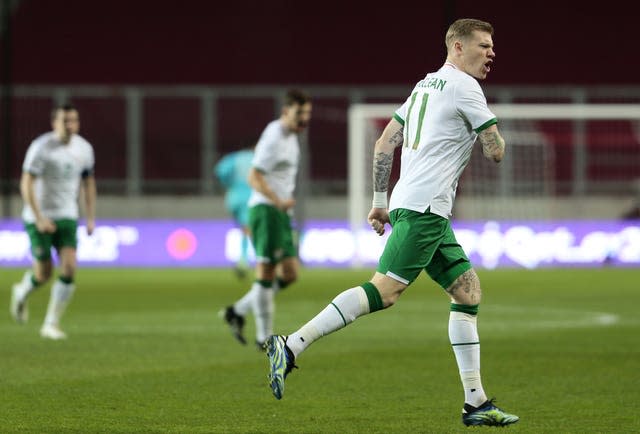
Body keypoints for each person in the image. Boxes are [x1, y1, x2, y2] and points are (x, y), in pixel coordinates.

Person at [264, 19, 519, 427]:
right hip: (425, 209)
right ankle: (291, 345)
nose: (492, 53)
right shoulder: (466, 88)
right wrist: (493, 131)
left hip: (413, 204)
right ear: (457, 46)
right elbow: (495, 153)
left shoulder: (424, 85)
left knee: (467, 291)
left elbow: (386, 141)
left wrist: (380, 202)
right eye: (484, 46)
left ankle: (476, 403)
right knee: (385, 291)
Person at [221, 89, 312, 350]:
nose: (304, 119)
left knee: (291, 273)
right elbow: (254, 177)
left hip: (280, 214)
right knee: (267, 271)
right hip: (265, 211)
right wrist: (277, 200)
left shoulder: (293, 137)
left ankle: (237, 310)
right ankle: (264, 337)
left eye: (307, 113)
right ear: (286, 112)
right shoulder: (274, 136)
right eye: (299, 113)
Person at [10, 103, 96, 340]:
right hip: (39, 216)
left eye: (74, 121)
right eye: (65, 121)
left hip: (67, 215)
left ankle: (51, 323)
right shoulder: (41, 147)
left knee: (69, 267)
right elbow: (26, 183)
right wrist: (38, 218)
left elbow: (88, 183)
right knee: (44, 273)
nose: (70, 126)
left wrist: (90, 217)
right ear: (54, 123)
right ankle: (22, 290)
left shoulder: (85, 149)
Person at [214, 146, 254, 278]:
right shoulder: (257, 157)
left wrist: (229, 184)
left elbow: (220, 171)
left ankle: (245, 259)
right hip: (249, 197)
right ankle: (244, 260)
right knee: (249, 229)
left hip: (234, 197)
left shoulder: (234, 157)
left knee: (245, 228)